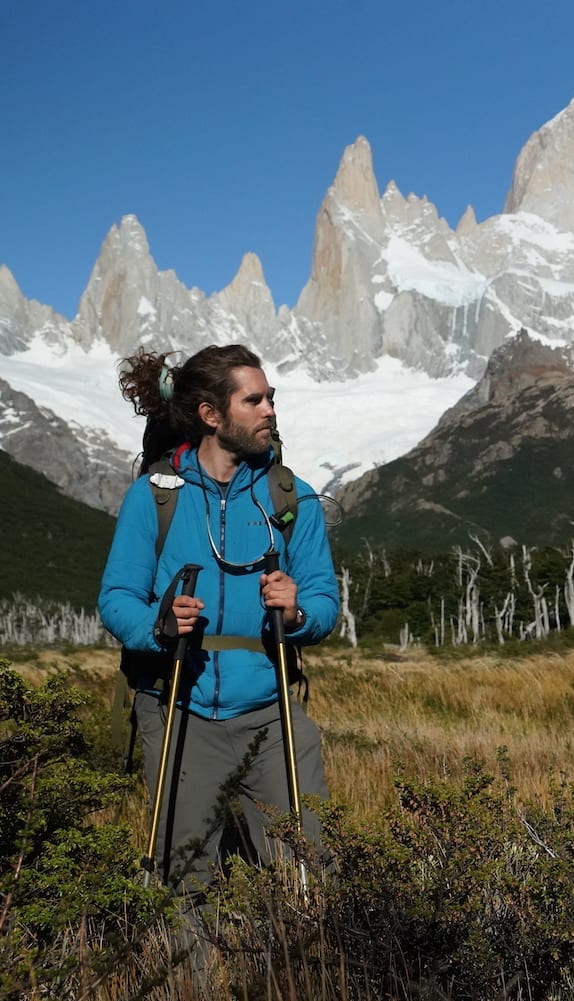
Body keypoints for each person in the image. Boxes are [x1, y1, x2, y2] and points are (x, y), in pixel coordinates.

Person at [99, 344, 338, 892]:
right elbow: (117, 597)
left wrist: (297, 610)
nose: (269, 410)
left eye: (270, 398)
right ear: (212, 415)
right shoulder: (156, 497)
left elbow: (325, 603)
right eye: (254, 400)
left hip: (271, 711)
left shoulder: (290, 497)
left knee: (308, 872)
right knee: (183, 877)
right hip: (177, 703)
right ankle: (191, 980)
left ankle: (306, 975)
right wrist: (157, 627)